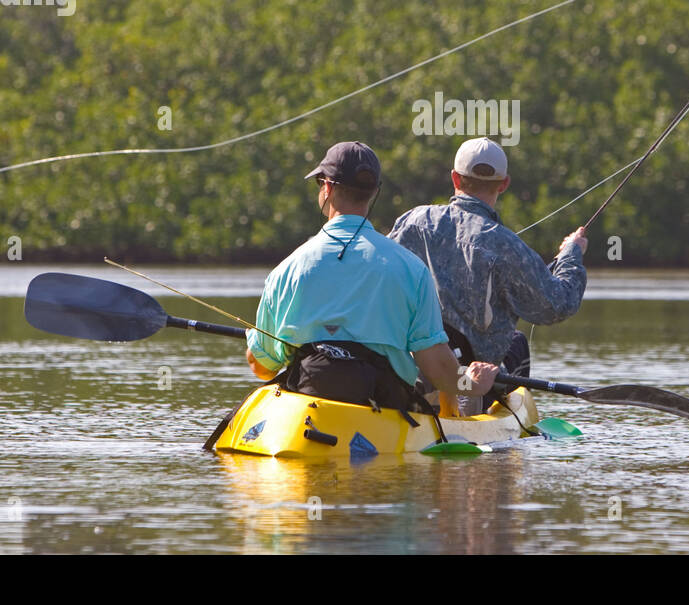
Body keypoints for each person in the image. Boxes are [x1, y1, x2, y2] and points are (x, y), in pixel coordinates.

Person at [246, 141, 497, 415]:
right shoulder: (411, 269)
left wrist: (254, 345)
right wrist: (473, 384)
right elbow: (440, 372)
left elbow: (262, 367)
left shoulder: (286, 270)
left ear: (327, 188)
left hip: (308, 411)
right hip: (383, 411)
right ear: (374, 192)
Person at [389, 137, 587, 400]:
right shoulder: (508, 246)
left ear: (455, 179)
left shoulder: (412, 221)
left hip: (414, 367)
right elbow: (557, 305)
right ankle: (504, 417)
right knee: (517, 342)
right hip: (475, 380)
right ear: (504, 184)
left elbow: (381, 278)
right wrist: (572, 254)